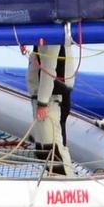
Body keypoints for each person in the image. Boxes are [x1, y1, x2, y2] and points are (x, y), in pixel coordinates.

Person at [26, 41, 77, 176]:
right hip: (44, 98)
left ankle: (68, 183)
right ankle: (56, 180)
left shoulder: (52, 36)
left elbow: (49, 69)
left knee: (52, 148)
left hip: (51, 99)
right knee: (43, 149)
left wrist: (42, 102)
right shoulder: (41, 39)